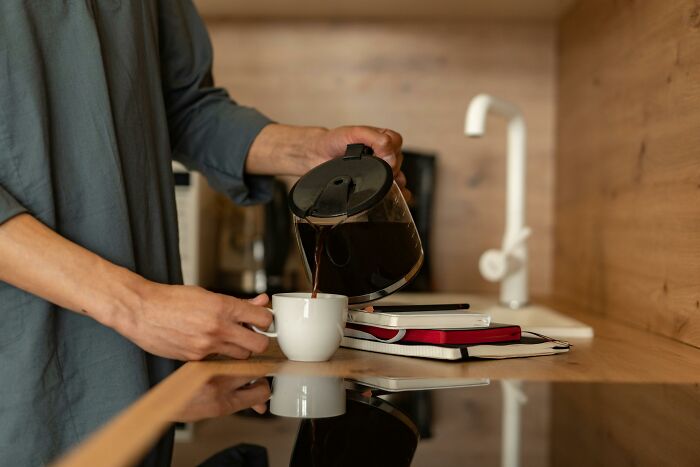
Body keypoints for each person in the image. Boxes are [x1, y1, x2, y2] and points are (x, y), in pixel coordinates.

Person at [0, 1, 405, 465]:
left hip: (137, 365)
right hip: (22, 366)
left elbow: (183, 105)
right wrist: (136, 303)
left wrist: (303, 151)